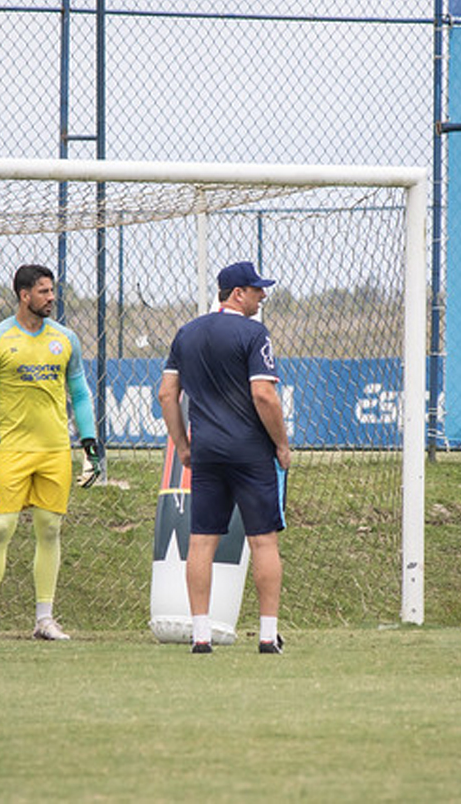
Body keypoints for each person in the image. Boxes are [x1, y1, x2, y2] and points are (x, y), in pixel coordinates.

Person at [0, 264, 102, 640]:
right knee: (2, 527)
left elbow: (81, 393)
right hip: (12, 449)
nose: (51, 298)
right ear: (24, 295)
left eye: (52, 291)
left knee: (50, 529)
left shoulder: (66, 338)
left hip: (56, 449)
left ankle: (45, 620)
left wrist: (90, 444)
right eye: (43, 292)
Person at [158, 260, 292, 654]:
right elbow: (264, 395)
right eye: (256, 290)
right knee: (264, 542)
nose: (262, 296)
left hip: (207, 453)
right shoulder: (254, 333)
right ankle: (268, 636)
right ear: (238, 293)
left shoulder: (187, 333)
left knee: (201, 542)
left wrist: (183, 446)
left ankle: (200, 635)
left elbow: (167, 394)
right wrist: (281, 445)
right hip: (250, 452)